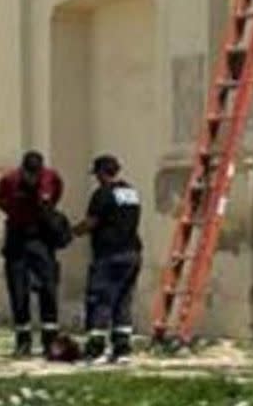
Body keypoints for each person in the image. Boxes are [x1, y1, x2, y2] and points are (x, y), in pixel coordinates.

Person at [72, 153, 142, 364]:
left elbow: (91, 222)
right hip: (133, 253)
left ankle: (97, 348)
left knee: (101, 299)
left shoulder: (102, 194)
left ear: (102, 173)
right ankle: (122, 348)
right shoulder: (131, 193)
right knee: (123, 300)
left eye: (97, 174)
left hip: (110, 254)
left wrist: (72, 232)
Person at [0, 150, 64, 358]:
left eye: (36, 174)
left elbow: (57, 193)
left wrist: (47, 213)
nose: (32, 179)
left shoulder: (50, 177)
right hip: (17, 236)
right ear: (23, 170)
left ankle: (50, 339)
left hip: (41, 237)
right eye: (29, 174)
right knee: (18, 289)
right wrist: (14, 213)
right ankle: (23, 340)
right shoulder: (9, 180)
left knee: (48, 287)